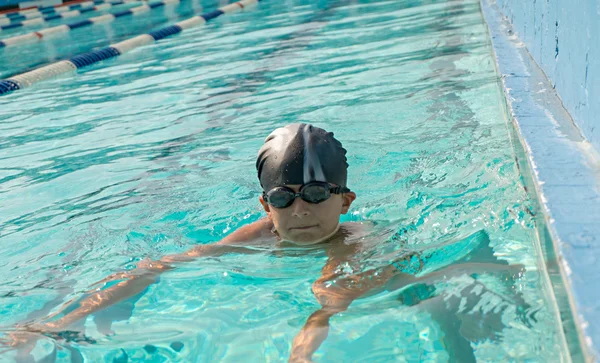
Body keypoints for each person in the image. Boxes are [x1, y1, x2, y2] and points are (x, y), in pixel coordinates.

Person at [5, 123, 524, 362]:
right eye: (283, 198)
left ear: (345, 201)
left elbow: (326, 309)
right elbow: (159, 264)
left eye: (317, 194)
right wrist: (54, 322)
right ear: (264, 207)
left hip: (385, 268)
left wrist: (299, 358)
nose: (299, 210)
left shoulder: (352, 242)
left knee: (431, 300)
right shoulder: (258, 236)